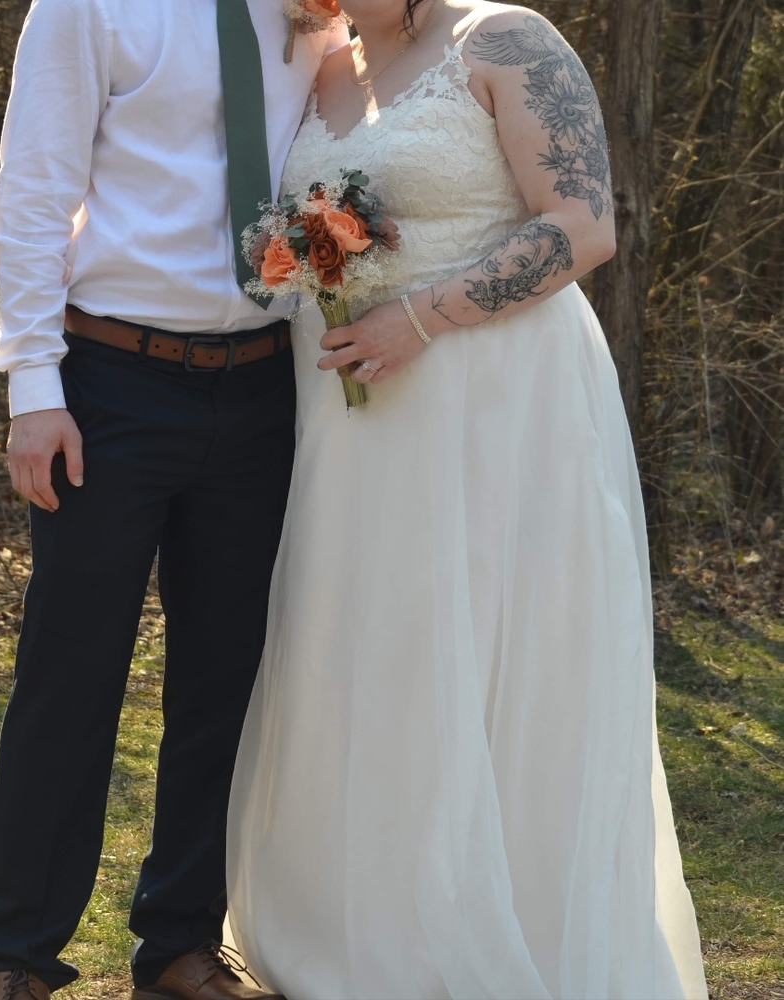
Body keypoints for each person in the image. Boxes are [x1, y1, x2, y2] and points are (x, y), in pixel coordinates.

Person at [226, 2, 711, 998]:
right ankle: (362, 928)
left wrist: (421, 316)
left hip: (498, 407)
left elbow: (583, 225)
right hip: (352, 417)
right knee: (370, 647)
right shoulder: (318, 69)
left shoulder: (502, 40)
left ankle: (503, 930)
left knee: (494, 646)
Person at [0, 2, 347, 998]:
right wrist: (34, 391)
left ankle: (179, 937)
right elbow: (33, 198)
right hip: (111, 380)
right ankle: (19, 951)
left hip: (265, 385)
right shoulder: (87, 8)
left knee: (226, 679)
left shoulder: (311, 12)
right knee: (70, 671)